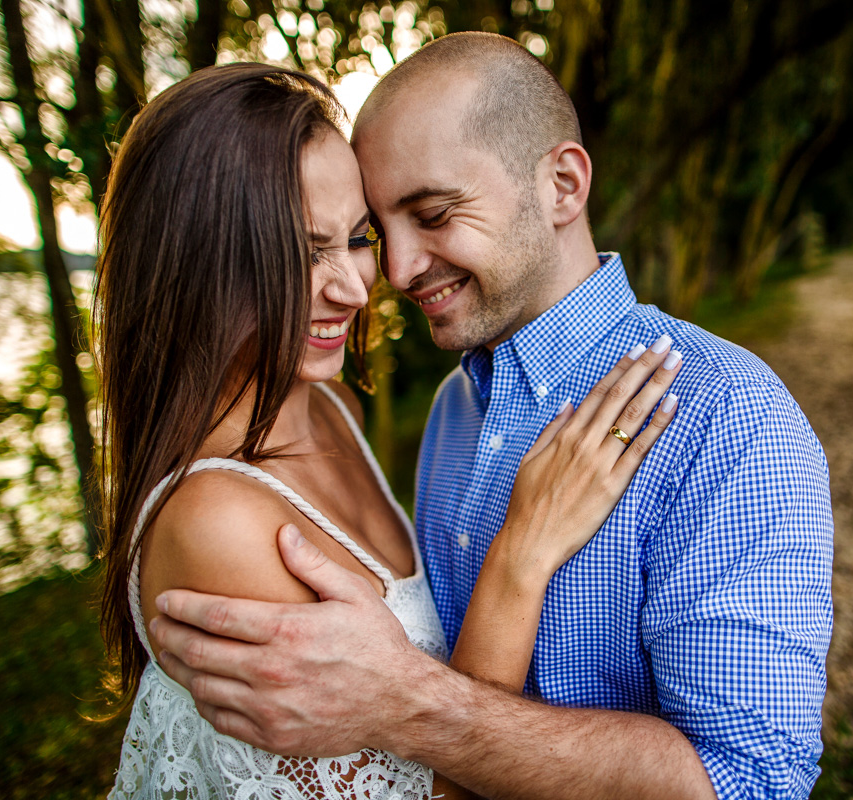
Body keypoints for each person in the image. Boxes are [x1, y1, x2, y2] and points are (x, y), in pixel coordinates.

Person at [150, 33, 834, 799]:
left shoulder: (725, 417)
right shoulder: (454, 410)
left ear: (564, 186)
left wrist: (405, 704)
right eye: (382, 229)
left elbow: (755, 783)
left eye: (434, 214)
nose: (398, 273)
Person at [96, 62, 682, 799]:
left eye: (355, 237)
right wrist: (519, 558)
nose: (358, 285)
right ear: (195, 261)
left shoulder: (327, 407)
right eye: (302, 251)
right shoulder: (221, 523)